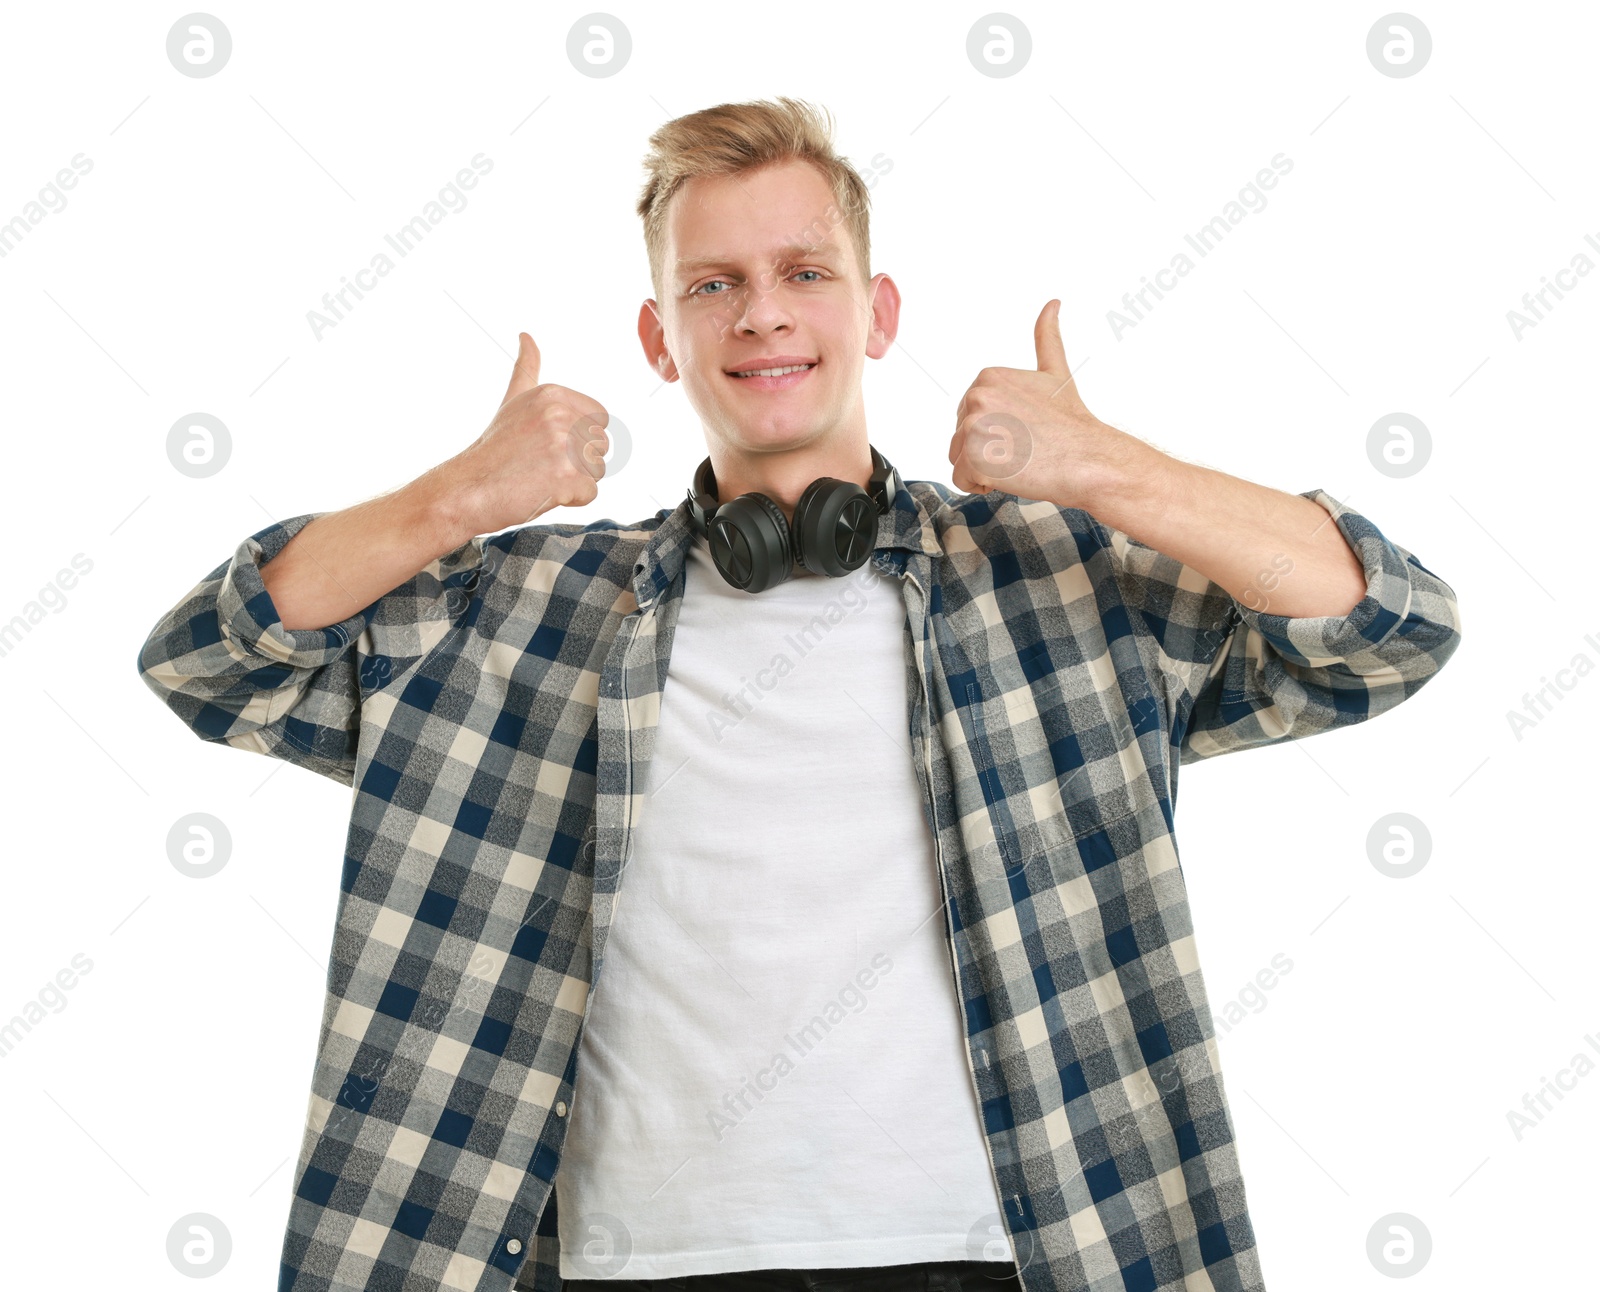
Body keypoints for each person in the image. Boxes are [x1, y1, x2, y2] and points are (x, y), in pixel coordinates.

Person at [136, 97, 1463, 1292]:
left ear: (876, 314)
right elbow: (212, 657)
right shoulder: (521, 609)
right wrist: (461, 501)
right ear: (663, 339)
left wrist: (1107, 468)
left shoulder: (1055, 582)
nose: (763, 312)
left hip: (1003, 1254)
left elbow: (1385, 628)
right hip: (627, 1268)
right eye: (715, 284)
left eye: (804, 272)